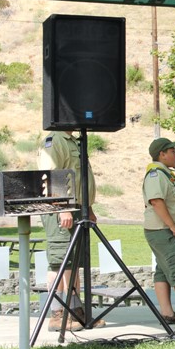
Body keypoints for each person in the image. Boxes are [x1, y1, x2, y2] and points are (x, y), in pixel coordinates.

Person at [38, 130, 104, 331]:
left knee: (74, 262)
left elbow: (81, 178)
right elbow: (51, 176)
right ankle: (57, 314)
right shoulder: (54, 139)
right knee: (60, 261)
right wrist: (63, 208)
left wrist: (88, 208)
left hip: (77, 208)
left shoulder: (74, 141)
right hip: (60, 209)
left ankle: (75, 311)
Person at [143, 137, 175, 325]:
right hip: (164, 229)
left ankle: (166, 312)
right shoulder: (156, 174)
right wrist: (173, 226)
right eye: (172, 151)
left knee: (163, 270)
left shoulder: (165, 173)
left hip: (163, 229)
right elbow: (156, 201)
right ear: (162, 154)